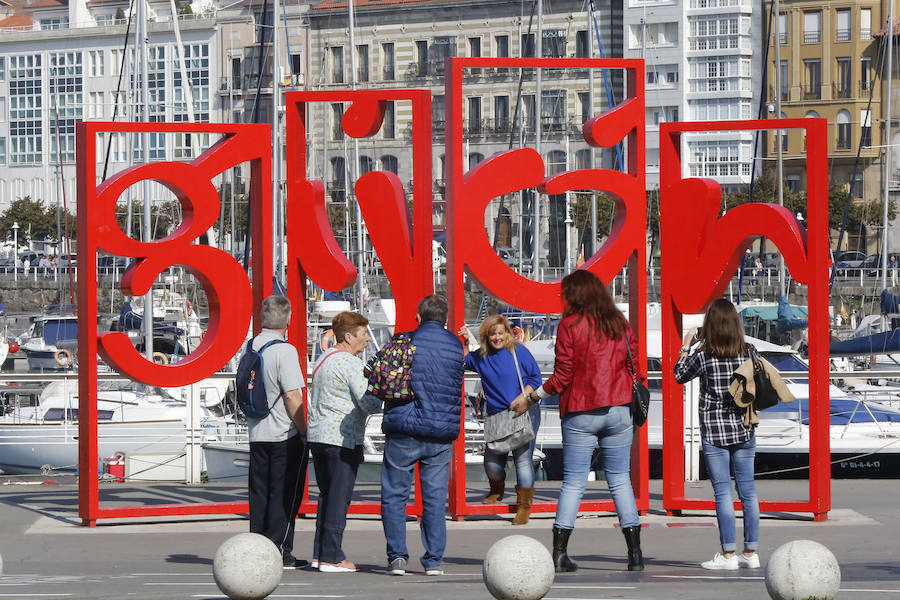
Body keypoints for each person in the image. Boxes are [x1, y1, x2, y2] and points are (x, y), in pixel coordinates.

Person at [513, 270, 643, 573]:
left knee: (573, 483)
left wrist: (531, 397)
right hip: (619, 407)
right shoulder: (619, 324)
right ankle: (635, 554)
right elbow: (633, 365)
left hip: (580, 410)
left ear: (574, 295)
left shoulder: (570, 326)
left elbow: (563, 375)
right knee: (620, 480)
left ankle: (560, 554)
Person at [674, 298, 761, 570]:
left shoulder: (704, 356)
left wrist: (687, 345)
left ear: (709, 325)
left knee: (723, 493)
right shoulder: (750, 351)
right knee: (748, 492)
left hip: (714, 430)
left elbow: (678, 375)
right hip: (744, 427)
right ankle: (751, 553)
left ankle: (728, 556)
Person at [380, 294, 464, 577]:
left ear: (418, 317)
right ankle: (434, 561)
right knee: (434, 498)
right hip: (440, 431)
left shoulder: (404, 341)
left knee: (394, 495)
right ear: (446, 320)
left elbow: (386, 380)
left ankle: (397, 558)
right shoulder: (455, 345)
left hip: (404, 427)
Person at [308, 311, 382, 573]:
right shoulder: (349, 363)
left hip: (318, 436)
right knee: (339, 499)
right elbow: (368, 402)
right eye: (362, 335)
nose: (366, 341)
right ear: (349, 337)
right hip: (342, 438)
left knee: (327, 496)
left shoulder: (323, 359)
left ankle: (321, 552)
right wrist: (382, 390)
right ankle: (332, 556)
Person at [458, 314, 542, 524]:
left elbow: (536, 378)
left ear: (507, 333)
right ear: (486, 336)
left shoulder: (519, 351)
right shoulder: (480, 356)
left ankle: (524, 507)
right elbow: (462, 361)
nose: (497, 337)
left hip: (523, 411)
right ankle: (497, 489)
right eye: (493, 334)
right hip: (496, 416)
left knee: (523, 461)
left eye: (501, 333)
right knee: (492, 464)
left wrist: (524, 397)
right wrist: (466, 340)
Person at [247, 295, 310, 569]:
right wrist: (304, 430)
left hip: (256, 431)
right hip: (283, 433)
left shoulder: (251, 346)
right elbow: (292, 396)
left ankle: (257, 546)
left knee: (260, 493)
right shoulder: (285, 350)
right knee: (284, 494)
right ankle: (280, 550)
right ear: (287, 319)